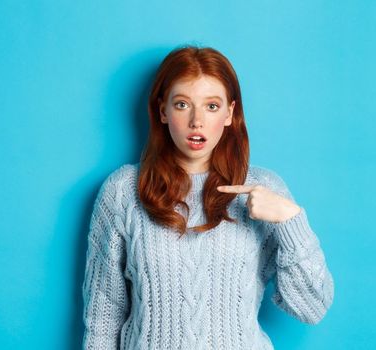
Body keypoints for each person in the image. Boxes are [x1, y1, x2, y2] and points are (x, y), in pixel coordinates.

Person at [82, 45, 334, 349]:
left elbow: (312, 307)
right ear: (162, 111)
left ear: (230, 113)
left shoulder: (263, 188)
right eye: (182, 104)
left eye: (211, 106)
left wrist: (290, 220)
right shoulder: (122, 191)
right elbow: (103, 317)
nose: (196, 121)